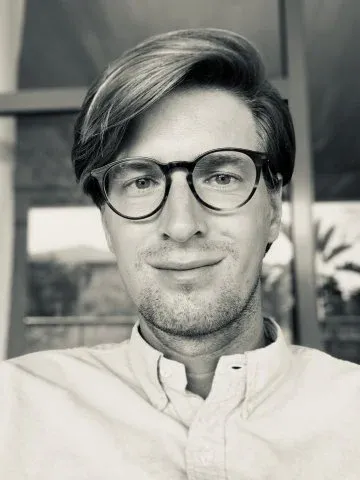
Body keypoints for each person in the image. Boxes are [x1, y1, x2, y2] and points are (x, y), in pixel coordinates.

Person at [1, 28, 360, 480]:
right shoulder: (13, 412)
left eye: (221, 176)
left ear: (272, 209)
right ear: (107, 225)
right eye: (141, 181)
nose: (181, 224)